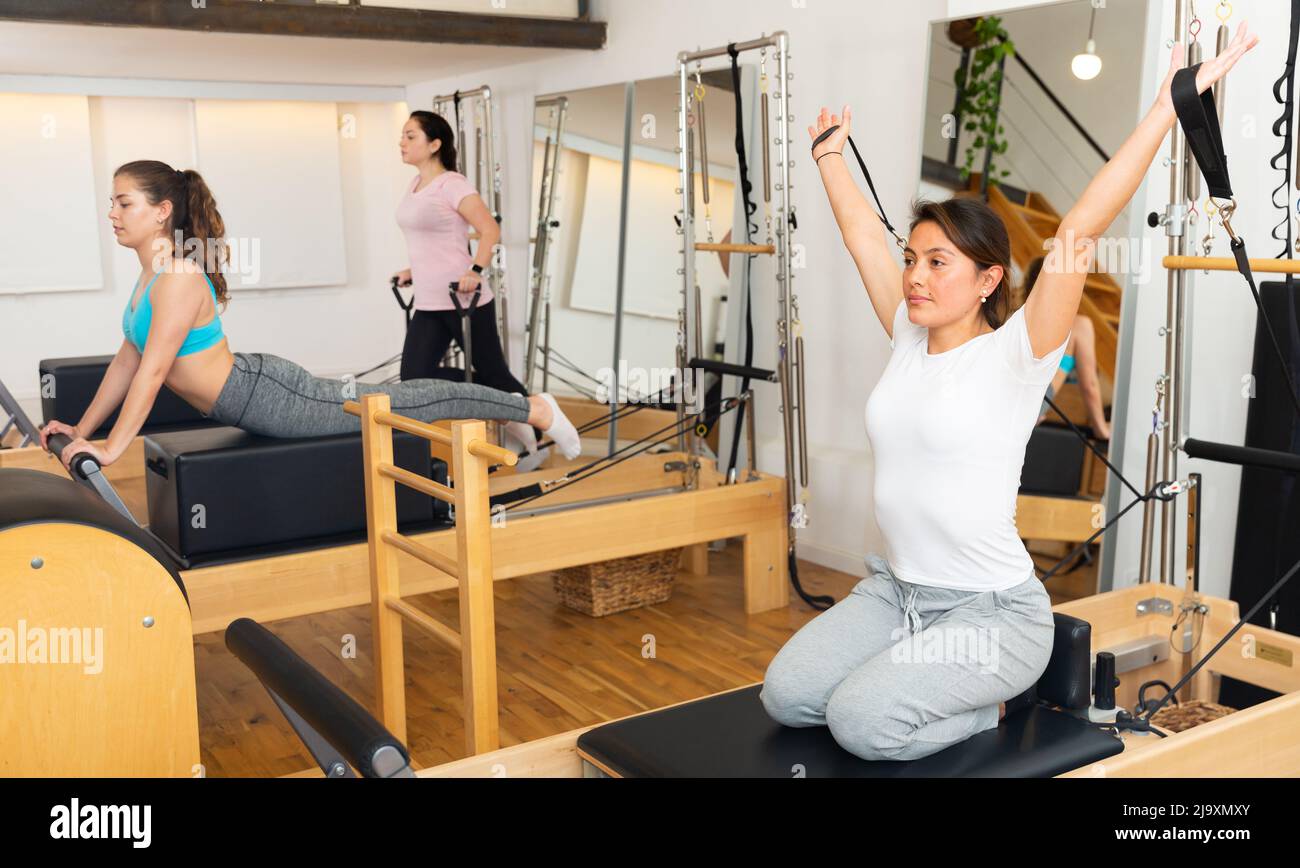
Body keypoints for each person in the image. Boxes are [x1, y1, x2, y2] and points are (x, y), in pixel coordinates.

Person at [760, 27, 1255, 762]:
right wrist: (829, 153)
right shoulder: (905, 334)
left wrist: (1166, 110)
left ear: (989, 279)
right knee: (789, 695)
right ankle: (917, 678)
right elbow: (864, 235)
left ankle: (997, 701)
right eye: (913, 260)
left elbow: (1082, 226)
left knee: (859, 722)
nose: (916, 276)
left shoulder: (1016, 355)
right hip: (897, 593)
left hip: (993, 616)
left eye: (937, 262)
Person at [39, 160, 581, 470]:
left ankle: (528, 407)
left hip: (267, 396)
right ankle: (516, 414)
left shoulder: (178, 275)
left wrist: (112, 448)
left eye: (124, 202)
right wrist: (81, 428)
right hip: (251, 392)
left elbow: (155, 372)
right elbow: (127, 364)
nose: (112, 213)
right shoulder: (150, 278)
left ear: (161, 213)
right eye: (112, 201)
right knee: (405, 398)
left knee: (409, 401)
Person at [393, 111, 542, 462]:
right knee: (415, 376)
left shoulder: (453, 184)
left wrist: (475, 269)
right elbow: (432, 240)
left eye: (410, 136)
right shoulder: (414, 186)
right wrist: (413, 269)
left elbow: (490, 230)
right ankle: (504, 402)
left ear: (435, 144)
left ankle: (539, 425)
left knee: (495, 372)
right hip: (429, 300)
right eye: (403, 135)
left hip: (464, 299)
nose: (402, 142)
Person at [1022, 256, 1111, 439]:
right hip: (1029, 407)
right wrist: (1101, 428)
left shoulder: (1021, 317)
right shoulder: (1079, 325)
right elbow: (1090, 386)